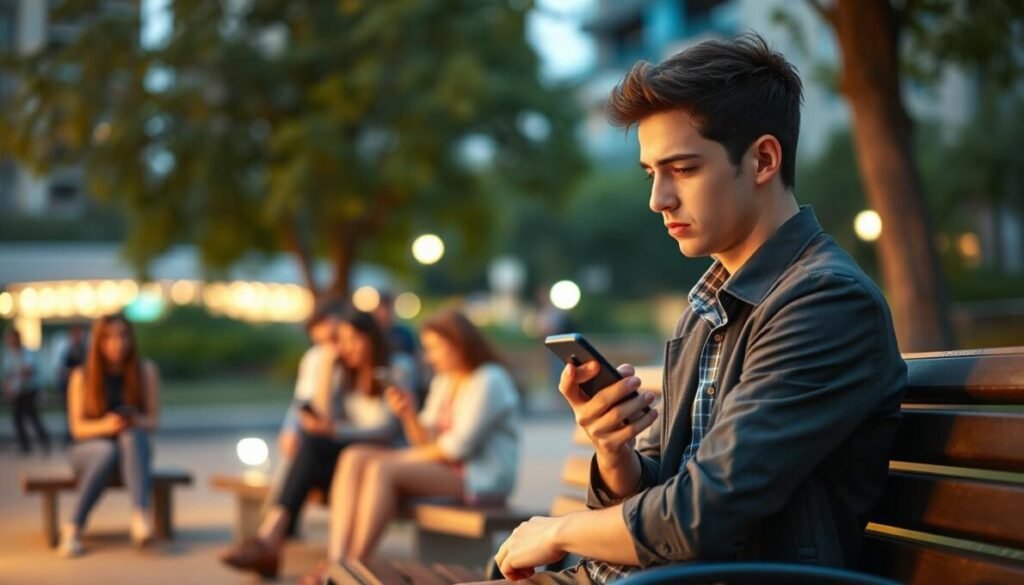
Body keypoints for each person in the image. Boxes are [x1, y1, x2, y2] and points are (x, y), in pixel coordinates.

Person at [490, 33, 907, 583]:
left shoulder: (826, 303)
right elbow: (667, 491)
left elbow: (700, 515)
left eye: (682, 169)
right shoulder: (708, 307)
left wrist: (557, 530)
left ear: (762, 159)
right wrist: (614, 452)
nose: (657, 198)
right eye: (650, 174)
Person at [299, 310, 520, 583]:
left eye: (434, 348)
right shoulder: (446, 379)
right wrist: (407, 413)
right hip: (446, 470)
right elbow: (424, 440)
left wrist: (400, 458)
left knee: (383, 469)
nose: (428, 357)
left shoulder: (490, 379)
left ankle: (350, 568)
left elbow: (456, 448)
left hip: (480, 478)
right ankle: (336, 559)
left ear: (459, 343)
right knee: (354, 455)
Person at [220, 309, 410, 578]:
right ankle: (300, 549)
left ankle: (276, 540)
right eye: (340, 341)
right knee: (310, 443)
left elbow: (387, 428)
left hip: (382, 455)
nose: (344, 347)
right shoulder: (345, 371)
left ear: (370, 337)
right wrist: (327, 367)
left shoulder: (398, 366)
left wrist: (335, 429)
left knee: (316, 445)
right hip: (346, 455)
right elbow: (322, 415)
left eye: (350, 339)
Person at [59, 314, 161, 558]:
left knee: (130, 436)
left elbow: (154, 421)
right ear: (98, 341)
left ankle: (140, 516)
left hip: (133, 452)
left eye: (123, 336)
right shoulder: (81, 376)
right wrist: (106, 426)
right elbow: (78, 428)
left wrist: (134, 420)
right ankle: (73, 528)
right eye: (110, 337)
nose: (118, 343)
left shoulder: (145, 371)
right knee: (107, 451)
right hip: (88, 452)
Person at [264, 301, 341, 534]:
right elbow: (301, 401)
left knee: (308, 444)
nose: (326, 346)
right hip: (316, 438)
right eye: (320, 340)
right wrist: (290, 429)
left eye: (332, 338)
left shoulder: (346, 358)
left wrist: (329, 364)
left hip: (334, 443)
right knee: (299, 445)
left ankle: (274, 529)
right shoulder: (313, 357)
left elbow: (325, 413)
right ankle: (274, 529)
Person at [3, 327, 51, 455]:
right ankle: (26, 445)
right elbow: (9, 374)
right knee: (18, 418)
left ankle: (44, 441)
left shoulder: (27, 352)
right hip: (18, 391)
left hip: (29, 389)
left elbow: (29, 369)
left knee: (32, 417)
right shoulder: (10, 354)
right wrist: (8, 386)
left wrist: (18, 373)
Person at [58, 325, 88, 445]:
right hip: (68, 386)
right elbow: (62, 369)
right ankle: (70, 434)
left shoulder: (85, 350)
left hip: (84, 387)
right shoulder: (67, 350)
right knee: (69, 413)